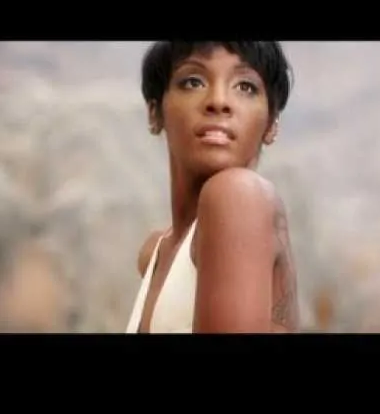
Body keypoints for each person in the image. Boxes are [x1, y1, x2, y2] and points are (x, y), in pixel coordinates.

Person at [125, 41, 301, 334]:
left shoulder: (239, 196)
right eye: (193, 82)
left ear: (271, 123)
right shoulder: (154, 253)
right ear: (155, 112)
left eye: (245, 87)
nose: (219, 101)